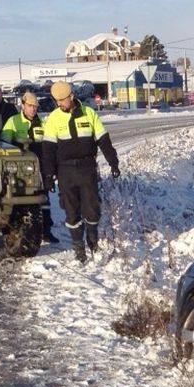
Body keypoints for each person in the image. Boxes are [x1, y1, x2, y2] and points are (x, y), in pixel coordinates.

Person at [41, 81, 121, 263]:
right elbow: (48, 151)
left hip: (87, 169)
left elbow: (104, 140)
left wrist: (113, 163)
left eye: (62, 100)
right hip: (65, 171)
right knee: (71, 211)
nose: (60, 103)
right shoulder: (53, 118)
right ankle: (78, 247)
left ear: (71, 96)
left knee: (92, 209)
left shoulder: (89, 113)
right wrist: (48, 175)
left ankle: (92, 241)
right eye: (57, 101)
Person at [0, 91, 59, 243]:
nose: (33, 109)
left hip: (40, 165)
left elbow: (49, 142)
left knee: (44, 198)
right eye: (30, 106)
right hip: (19, 168)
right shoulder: (13, 121)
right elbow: (3, 144)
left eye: (35, 106)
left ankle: (46, 230)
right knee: (19, 198)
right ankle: (14, 229)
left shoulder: (42, 123)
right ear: (23, 105)